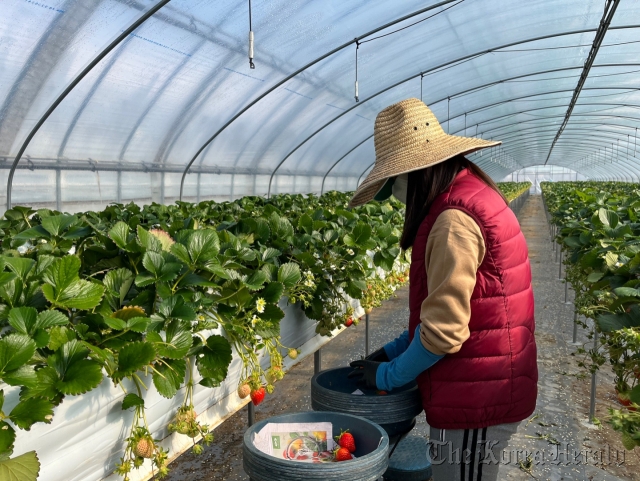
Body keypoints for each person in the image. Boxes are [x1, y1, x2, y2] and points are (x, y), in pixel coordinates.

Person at [347, 98, 537, 481]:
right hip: (481, 383)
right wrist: (394, 349)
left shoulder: (453, 222)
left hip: (477, 398)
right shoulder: (469, 195)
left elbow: (444, 334)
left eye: (392, 187)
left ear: (414, 173)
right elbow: (460, 309)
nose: (396, 199)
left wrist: (385, 376)